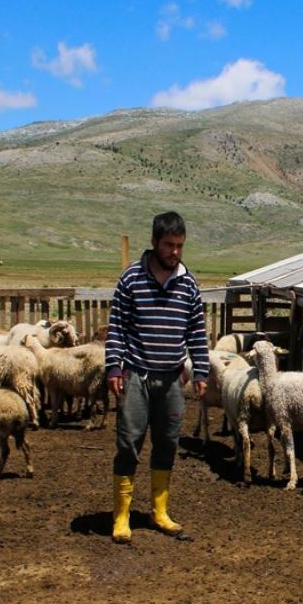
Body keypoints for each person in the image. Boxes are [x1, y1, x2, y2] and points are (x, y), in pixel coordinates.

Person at [105, 211, 209, 544]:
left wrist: (202, 370)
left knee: (168, 442)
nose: (175, 252)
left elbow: (196, 330)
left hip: (171, 377)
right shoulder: (132, 279)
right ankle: (122, 515)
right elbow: (117, 327)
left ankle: (159, 511)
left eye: (180, 246)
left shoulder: (188, 284)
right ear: (154, 242)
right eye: (169, 245)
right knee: (129, 443)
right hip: (136, 373)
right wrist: (113, 367)